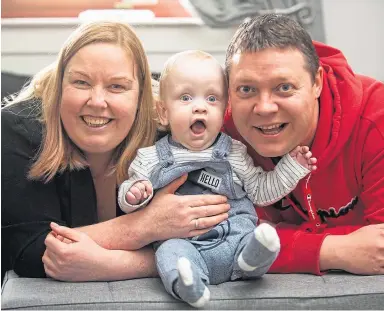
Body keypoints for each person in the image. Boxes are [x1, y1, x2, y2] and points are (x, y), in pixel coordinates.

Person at [1, 21, 231, 283]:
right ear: (59, 86)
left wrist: (118, 264)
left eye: (117, 87)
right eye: (81, 82)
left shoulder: (172, 132)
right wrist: (144, 226)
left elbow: (220, 239)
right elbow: (27, 251)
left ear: (141, 96)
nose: (97, 101)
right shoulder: (16, 129)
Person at [117, 50, 317, 307]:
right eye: (186, 97)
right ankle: (188, 285)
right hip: (185, 244)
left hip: (235, 237)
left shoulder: (233, 152)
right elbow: (127, 198)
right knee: (168, 254)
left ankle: (252, 260)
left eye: (211, 98)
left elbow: (259, 191)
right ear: (163, 112)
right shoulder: (152, 157)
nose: (200, 106)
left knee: (256, 237)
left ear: (224, 111)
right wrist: (135, 193)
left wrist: (292, 167)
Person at [222, 13, 384, 275]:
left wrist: (274, 242)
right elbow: (221, 246)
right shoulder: (222, 133)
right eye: (246, 89)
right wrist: (334, 249)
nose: (264, 108)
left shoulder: (378, 115)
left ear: (316, 82)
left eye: (284, 87)